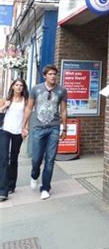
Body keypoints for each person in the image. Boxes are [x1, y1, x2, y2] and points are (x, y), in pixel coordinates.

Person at [22, 64, 68, 200]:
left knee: (50, 159)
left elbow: (64, 110)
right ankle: (34, 175)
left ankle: (45, 187)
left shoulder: (62, 91)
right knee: (36, 159)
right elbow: (29, 108)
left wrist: (64, 128)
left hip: (54, 127)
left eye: (54, 74)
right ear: (45, 76)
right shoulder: (36, 89)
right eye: (50, 74)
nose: (53, 76)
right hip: (38, 128)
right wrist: (23, 125)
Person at [0, 78, 29, 201]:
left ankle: (11, 184)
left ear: (23, 88)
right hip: (5, 130)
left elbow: (27, 116)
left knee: (14, 158)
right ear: (12, 86)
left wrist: (25, 129)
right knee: (4, 159)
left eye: (21, 85)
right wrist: (3, 107)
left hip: (18, 132)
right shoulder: (6, 100)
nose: (18, 87)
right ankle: (3, 190)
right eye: (16, 85)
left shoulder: (26, 101)